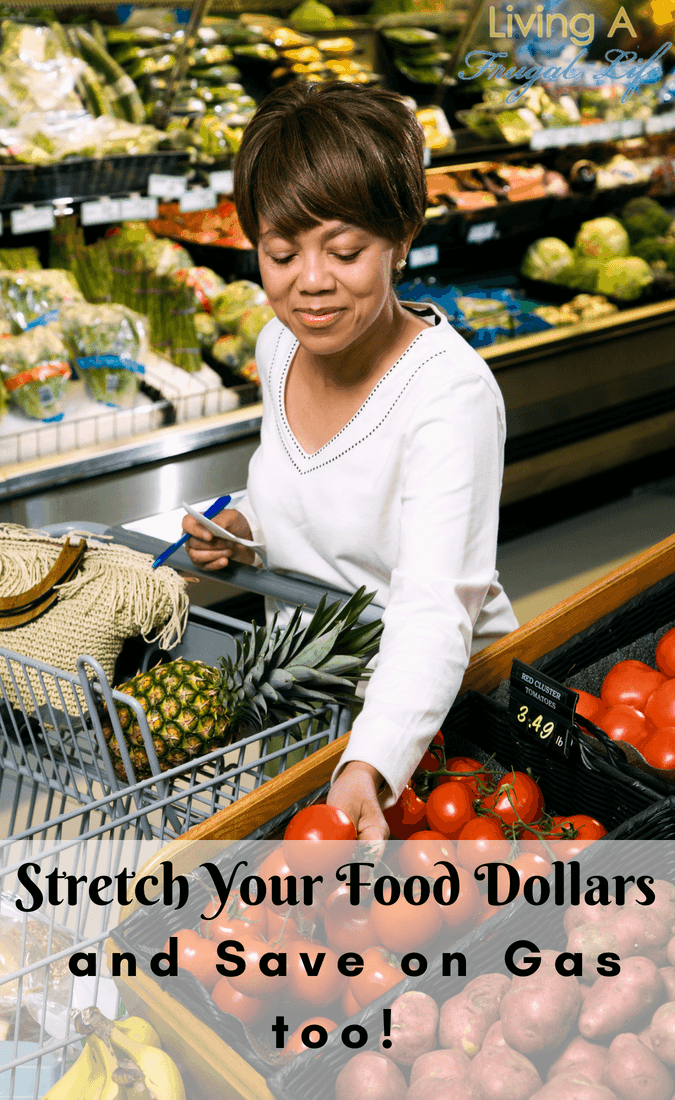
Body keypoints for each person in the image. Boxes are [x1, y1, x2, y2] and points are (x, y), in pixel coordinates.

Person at [182, 81, 518, 841]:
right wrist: (242, 525)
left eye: (343, 250)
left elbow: (434, 606)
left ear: (400, 237)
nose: (310, 282)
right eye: (280, 252)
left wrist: (370, 760)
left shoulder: (448, 393)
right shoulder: (278, 347)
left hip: (432, 727)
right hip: (314, 705)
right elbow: (307, 487)